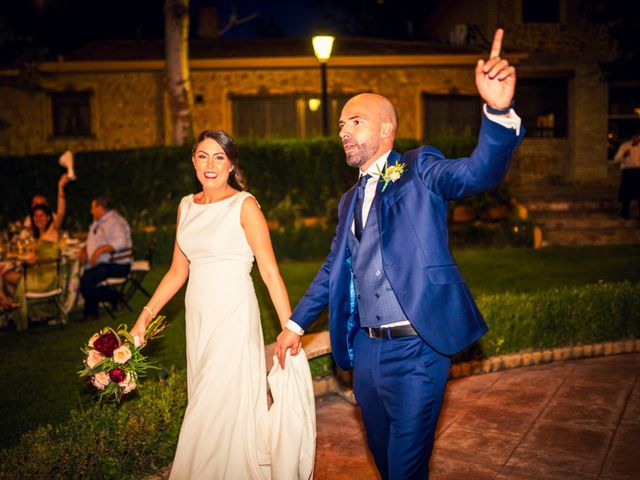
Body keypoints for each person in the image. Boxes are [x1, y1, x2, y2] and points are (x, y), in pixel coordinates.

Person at [276, 28, 524, 479]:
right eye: (340, 125)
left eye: (355, 121)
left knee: (406, 465)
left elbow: (476, 174)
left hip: (418, 348)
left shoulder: (419, 168)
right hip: (366, 352)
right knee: (384, 457)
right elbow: (335, 266)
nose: (343, 132)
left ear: (386, 129)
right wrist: (295, 324)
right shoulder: (347, 201)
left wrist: (498, 111)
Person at [130, 130, 314, 479]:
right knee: (208, 399)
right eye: (202, 156)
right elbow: (176, 272)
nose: (210, 164)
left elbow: (270, 272)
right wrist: (144, 318)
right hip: (198, 317)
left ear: (231, 164)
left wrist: (290, 327)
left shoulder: (244, 205)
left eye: (219, 157)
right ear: (193, 162)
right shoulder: (185, 206)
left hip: (233, 315)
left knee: (208, 405)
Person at [1, 204, 63, 329]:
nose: (38, 218)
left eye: (42, 216)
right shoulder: (39, 235)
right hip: (37, 274)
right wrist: (19, 260)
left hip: (45, 278)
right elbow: (33, 259)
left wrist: (61, 187)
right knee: (6, 278)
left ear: (48, 218)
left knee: (5, 276)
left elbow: (61, 213)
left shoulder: (52, 231)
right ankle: (27, 314)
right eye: (35, 216)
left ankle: (6, 304)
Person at [79, 196, 132, 321]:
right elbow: (94, 239)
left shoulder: (115, 222)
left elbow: (121, 242)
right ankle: (117, 297)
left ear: (100, 208)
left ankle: (91, 313)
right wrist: (84, 249)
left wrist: (99, 251)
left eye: (93, 208)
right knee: (86, 279)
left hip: (118, 265)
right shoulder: (99, 221)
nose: (91, 211)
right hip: (105, 263)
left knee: (88, 280)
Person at [613, 130, 640, 219]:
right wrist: (624, 155)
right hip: (628, 171)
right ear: (632, 137)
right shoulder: (625, 146)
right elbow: (616, 159)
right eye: (636, 136)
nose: (637, 138)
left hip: (638, 171)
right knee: (626, 194)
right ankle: (625, 212)